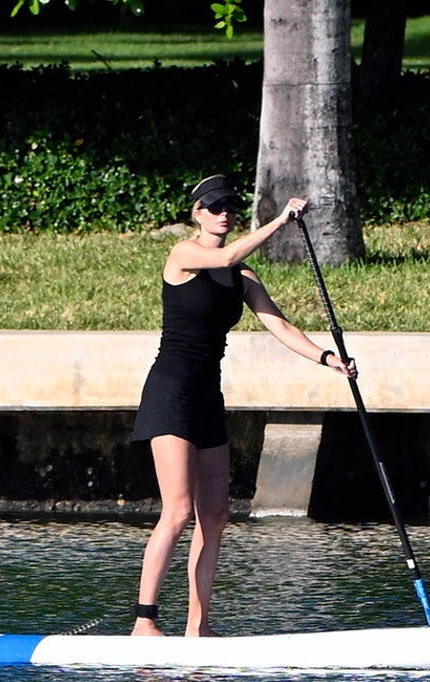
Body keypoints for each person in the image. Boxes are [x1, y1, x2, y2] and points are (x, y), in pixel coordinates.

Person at [130, 174, 358, 637]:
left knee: (215, 516)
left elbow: (281, 325)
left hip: (207, 397)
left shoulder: (242, 278)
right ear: (196, 213)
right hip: (170, 392)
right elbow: (227, 253)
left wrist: (328, 358)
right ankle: (144, 623)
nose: (224, 214)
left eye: (230, 206)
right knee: (177, 511)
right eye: (214, 207)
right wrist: (280, 221)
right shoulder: (184, 256)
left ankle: (199, 627)